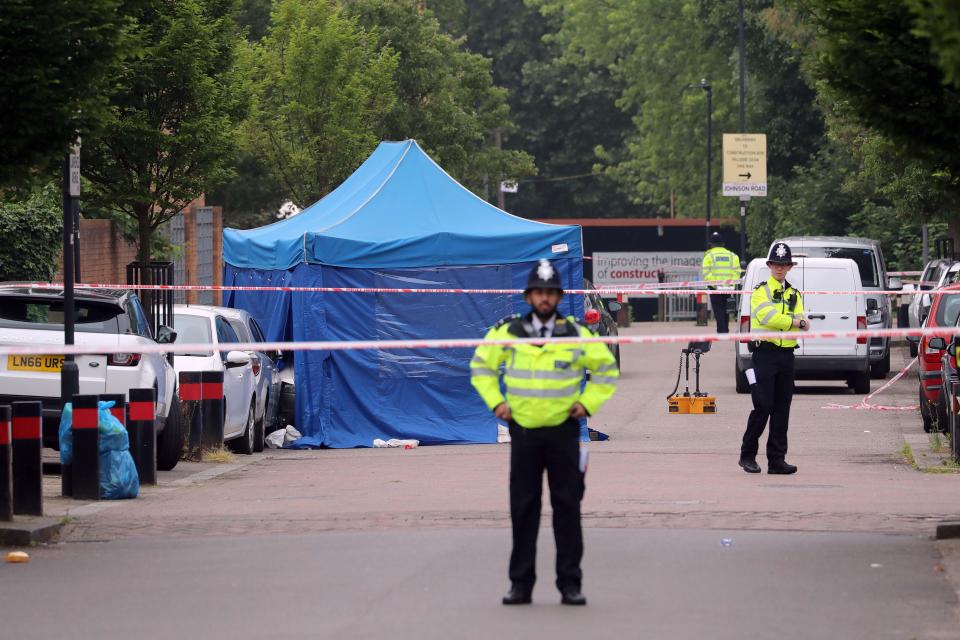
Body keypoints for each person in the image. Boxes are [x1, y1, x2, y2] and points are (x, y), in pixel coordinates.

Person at [470, 259, 619, 607]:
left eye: (550, 293)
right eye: (539, 292)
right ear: (529, 296)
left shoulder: (576, 334)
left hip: (563, 433)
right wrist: (497, 404)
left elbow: (606, 369)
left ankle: (570, 583)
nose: (544, 299)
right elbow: (481, 366)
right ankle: (520, 584)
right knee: (523, 509)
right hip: (523, 433)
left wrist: (587, 403)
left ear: (558, 297)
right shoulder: (509, 332)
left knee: (567, 507)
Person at [739, 242, 809, 475]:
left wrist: (796, 322)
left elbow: (803, 323)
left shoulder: (794, 293)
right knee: (763, 406)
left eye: (784, 265)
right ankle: (747, 455)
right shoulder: (760, 291)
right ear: (769, 265)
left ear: (789, 267)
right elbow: (769, 318)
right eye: (776, 264)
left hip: (786, 355)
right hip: (764, 354)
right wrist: (794, 321)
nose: (780, 268)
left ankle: (777, 460)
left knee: (782, 409)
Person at [702, 232, 742, 333]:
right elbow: (737, 271)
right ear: (722, 244)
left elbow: (706, 274)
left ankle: (721, 330)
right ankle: (726, 329)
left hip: (715, 288)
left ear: (711, 244)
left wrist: (716, 284)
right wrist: (730, 283)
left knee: (718, 309)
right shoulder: (732, 256)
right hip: (728, 288)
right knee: (726, 309)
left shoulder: (709, 256)